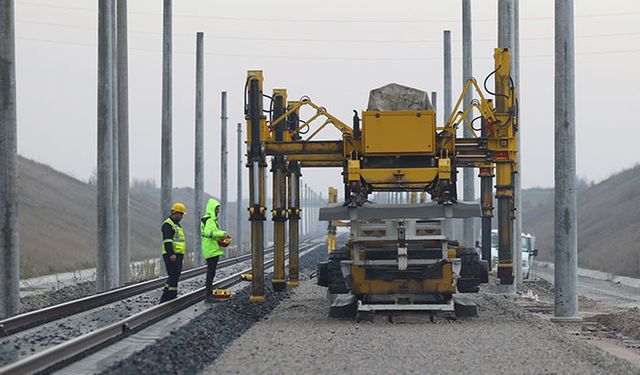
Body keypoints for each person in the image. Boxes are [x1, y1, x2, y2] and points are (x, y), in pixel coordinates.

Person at [201, 198, 231, 303]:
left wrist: (221, 236)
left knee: (211, 272)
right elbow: (208, 233)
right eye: (217, 208)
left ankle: (208, 293)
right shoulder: (209, 220)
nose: (218, 210)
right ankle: (208, 296)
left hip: (212, 248)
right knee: (211, 272)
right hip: (211, 249)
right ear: (212, 209)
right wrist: (222, 234)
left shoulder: (211, 220)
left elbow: (213, 233)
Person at [159, 202, 187, 303]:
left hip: (178, 254)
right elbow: (167, 240)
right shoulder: (168, 224)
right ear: (174, 213)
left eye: (182, 214)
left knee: (174, 275)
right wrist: (171, 253)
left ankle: (165, 298)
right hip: (171, 254)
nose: (181, 216)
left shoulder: (176, 224)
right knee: (174, 275)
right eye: (180, 214)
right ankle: (172, 298)